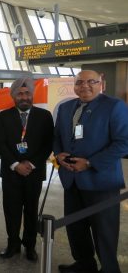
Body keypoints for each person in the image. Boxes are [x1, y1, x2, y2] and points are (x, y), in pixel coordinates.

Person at [53, 70, 128, 273]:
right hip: (72, 180)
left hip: (100, 181)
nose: (84, 86)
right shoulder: (66, 107)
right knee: (75, 228)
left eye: (91, 82)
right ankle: (84, 264)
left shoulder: (114, 106)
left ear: (100, 83)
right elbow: (57, 136)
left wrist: (89, 163)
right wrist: (59, 154)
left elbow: (123, 143)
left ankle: (109, 268)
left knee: (104, 231)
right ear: (74, 85)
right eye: (80, 82)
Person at [0, 77, 53, 261]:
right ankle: (12, 243)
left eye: (27, 93)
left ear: (32, 95)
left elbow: (48, 144)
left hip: (33, 173)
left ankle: (30, 246)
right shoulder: (3, 116)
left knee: (31, 210)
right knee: (11, 210)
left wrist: (31, 164)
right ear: (14, 96)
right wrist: (15, 165)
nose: (24, 97)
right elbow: (0, 143)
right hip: (11, 172)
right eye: (20, 93)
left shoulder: (44, 116)